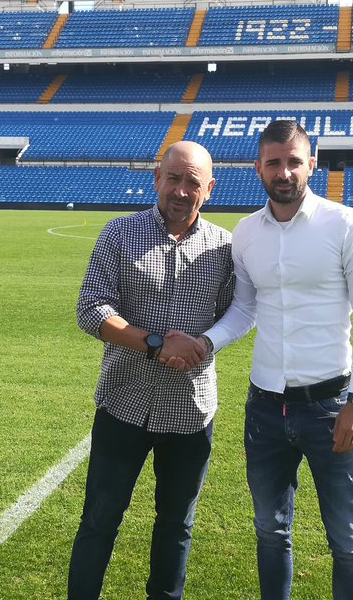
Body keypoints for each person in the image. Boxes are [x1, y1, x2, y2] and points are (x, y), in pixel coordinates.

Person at [176, 120, 353, 599]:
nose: (284, 172)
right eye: (274, 162)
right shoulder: (247, 233)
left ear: (311, 164)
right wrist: (205, 342)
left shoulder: (345, 224)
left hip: (333, 405)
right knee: (271, 532)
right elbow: (245, 308)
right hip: (266, 408)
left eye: (294, 161)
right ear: (259, 169)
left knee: (348, 542)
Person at [67, 141, 235, 600]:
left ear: (210, 189)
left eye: (193, 183)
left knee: (177, 526)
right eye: (174, 178)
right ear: (157, 178)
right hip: (124, 404)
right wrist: (158, 344)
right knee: (99, 519)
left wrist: (197, 345)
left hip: (191, 410)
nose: (182, 190)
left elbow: (230, 317)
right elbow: (91, 309)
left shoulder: (225, 247)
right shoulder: (120, 233)